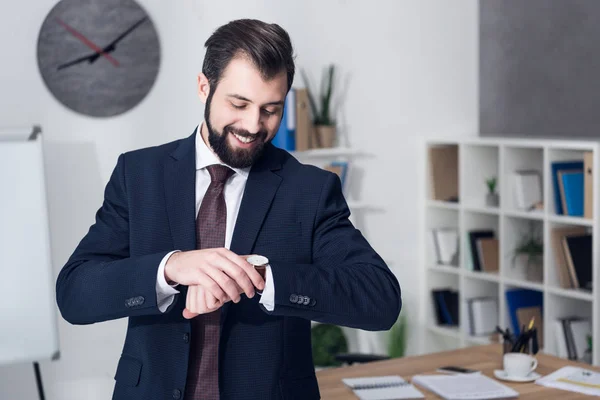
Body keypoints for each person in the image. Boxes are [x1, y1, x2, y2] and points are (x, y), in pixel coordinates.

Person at [56, 18, 401, 400]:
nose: (253, 125)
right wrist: (170, 269)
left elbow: (380, 299)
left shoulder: (311, 190)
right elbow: (75, 292)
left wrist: (258, 275)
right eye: (239, 104)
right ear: (204, 86)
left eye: (271, 109)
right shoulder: (138, 174)